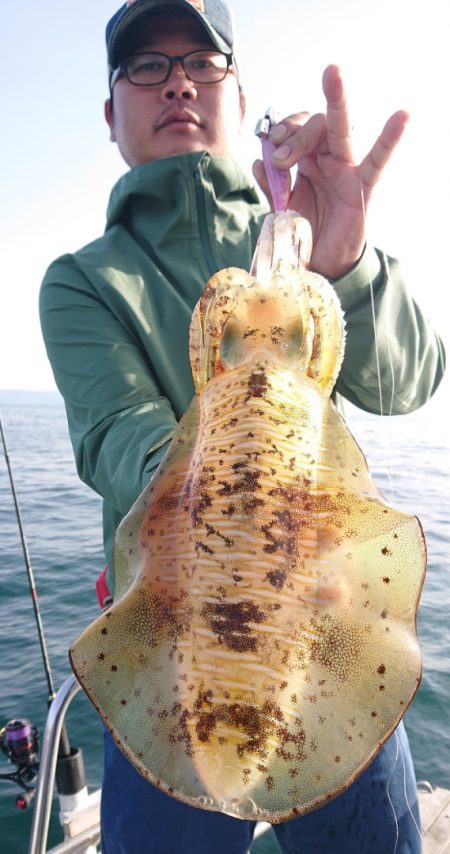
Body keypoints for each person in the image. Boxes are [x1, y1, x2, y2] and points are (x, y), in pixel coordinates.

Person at [40, 1, 445, 852]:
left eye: (202, 60)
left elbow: (411, 380)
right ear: (110, 113)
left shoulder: (303, 252)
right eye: (146, 65)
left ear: (236, 91)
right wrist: (249, 461)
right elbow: (120, 438)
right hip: (172, 647)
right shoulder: (82, 281)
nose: (177, 79)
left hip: (331, 631)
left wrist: (348, 264)